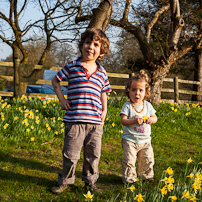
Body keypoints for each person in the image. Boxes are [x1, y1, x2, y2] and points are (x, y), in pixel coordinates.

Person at [51, 28, 111, 194]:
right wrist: (62, 99)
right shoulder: (72, 66)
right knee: (71, 154)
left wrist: (104, 110)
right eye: (87, 42)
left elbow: (103, 92)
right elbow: (55, 81)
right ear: (82, 45)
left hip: (95, 123)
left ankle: (90, 182)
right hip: (74, 120)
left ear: (102, 51)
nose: (91, 46)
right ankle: (65, 181)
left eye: (96, 44)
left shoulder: (102, 72)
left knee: (93, 155)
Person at [120, 70, 158, 184]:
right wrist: (134, 121)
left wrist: (151, 119)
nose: (137, 93)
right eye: (133, 90)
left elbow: (155, 118)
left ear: (145, 92)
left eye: (140, 90)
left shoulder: (147, 105)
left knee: (147, 159)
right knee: (129, 160)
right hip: (130, 140)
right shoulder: (127, 106)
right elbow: (123, 121)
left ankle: (146, 176)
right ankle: (129, 178)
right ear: (128, 91)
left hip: (145, 140)